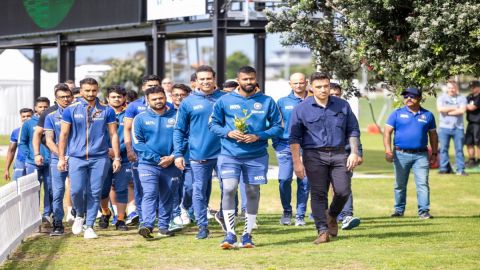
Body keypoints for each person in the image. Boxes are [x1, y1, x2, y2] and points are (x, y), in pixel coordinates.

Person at [209, 66, 283, 249]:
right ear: (238, 79)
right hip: (229, 154)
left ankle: (247, 235)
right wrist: (229, 133)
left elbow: (278, 127)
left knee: (252, 192)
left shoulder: (267, 101)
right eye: (245, 79)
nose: (249, 82)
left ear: (255, 79)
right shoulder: (224, 101)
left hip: (256, 155)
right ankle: (230, 234)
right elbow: (213, 125)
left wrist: (259, 136)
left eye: (251, 79)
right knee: (229, 188)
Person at [289, 72, 361, 244]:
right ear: (311, 88)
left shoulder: (342, 105)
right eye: (319, 87)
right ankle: (322, 231)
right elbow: (294, 138)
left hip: (339, 153)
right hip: (314, 155)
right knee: (318, 193)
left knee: (343, 191)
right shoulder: (301, 108)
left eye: (326, 86)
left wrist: (354, 152)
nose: (323, 90)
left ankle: (332, 216)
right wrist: (297, 162)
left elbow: (353, 130)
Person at [57, 77, 121, 239]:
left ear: (98, 90)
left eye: (94, 90)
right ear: (81, 90)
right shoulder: (71, 109)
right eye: (87, 90)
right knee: (76, 190)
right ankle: (79, 214)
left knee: (95, 191)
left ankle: (89, 225)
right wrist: (61, 158)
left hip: (99, 158)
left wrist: (117, 157)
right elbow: (63, 135)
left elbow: (113, 134)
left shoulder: (107, 110)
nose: (91, 93)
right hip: (77, 157)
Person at [174, 65, 226, 239]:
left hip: (225, 153)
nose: (205, 82)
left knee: (228, 188)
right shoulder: (188, 101)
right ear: (196, 81)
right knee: (199, 191)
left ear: (214, 79)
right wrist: (179, 153)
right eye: (202, 79)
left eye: (208, 78)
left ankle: (225, 218)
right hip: (199, 154)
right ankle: (202, 225)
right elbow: (179, 130)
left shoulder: (225, 98)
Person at [132, 86, 181, 239]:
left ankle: (164, 227)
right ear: (147, 100)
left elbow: (184, 138)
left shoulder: (177, 115)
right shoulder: (140, 118)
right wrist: (157, 159)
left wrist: (172, 157)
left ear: (165, 97)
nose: (158, 101)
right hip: (148, 164)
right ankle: (147, 225)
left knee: (167, 195)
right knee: (150, 193)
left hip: (171, 164)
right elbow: (137, 143)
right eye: (154, 99)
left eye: (161, 98)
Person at [384, 87, 438, 219]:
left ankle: (424, 211)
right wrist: (388, 150)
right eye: (406, 96)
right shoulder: (396, 114)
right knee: (400, 184)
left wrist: (435, 153)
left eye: (412, 96)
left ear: (419, 98)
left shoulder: (428, 115)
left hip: (421, 155)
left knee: (422, 183)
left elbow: (433, 135)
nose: (408, 98)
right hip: (400, 154)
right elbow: (387, 132)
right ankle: (398, 210)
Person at [123, 75, 163, 226]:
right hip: (141, 154)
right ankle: (142, 216)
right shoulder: (134, 106)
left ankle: (162, 216)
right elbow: (127, 129)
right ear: (143, 88)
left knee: (163, 187)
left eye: (156, 85)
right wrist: (129, 150)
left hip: (163, 155)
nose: (152, 88)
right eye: (149, 85)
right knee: (141, 187)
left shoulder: (167, 105)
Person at [273, 73, 310, 226]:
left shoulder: (313, 99)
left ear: (306, 82)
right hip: (285, 145)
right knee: (284, 179)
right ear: (290, 84)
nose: (299, 85)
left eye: (301, 82)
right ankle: (287, 211)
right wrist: (277, 143)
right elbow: (274, 123)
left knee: (305, 181)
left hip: (307, 147)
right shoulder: (282, 102)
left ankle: (300, 215)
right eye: (295, 83)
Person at [329, 83, 362, 230]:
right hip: (321, 155)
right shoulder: (315, 109)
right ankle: (328, 216)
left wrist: (357, 153)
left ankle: (347, 215)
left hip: (344, 154)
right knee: (325, 187)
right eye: (332, 94)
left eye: (338, 94)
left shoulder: (345, 108)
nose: (335, 97)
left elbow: (353, 131)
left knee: (343, 186)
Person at [98, 86, 130, 231]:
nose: (117, 99)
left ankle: (121, 219)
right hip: (102, 157)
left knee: (121, 188)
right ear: (107, 98)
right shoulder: (100, 114)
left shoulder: (129, 114)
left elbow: (131, 136)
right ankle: (106, 212)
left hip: (123, 158)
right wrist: (106, 150)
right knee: (102, 190)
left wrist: (118, 150)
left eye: (119, 96)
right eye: (113, 97)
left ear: (124, 98)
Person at [44, 83, 74, 236]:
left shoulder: (79, 114)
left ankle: (78, 216)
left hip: (77, 158)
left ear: (72, 97)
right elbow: (49, 140)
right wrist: (62, 156)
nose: (66, 99)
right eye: (62, 97)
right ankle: (57, 223)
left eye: (68, 96)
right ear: (56, 100)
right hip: (58, 159)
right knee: (58, 192)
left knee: (78, 190)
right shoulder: (50, 117)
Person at [19, 97, 52, 227]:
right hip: (33, 163)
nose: (43, 109)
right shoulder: (28, 123)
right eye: (40, 107)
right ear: (35, 108)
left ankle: (47, 215)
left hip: (50, 162)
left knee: (50, 189)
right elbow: (22, 143)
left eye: (46, 107)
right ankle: (33, 216)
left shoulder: (53, 119)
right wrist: (30, 156)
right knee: (33, 189)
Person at [169, 84, 193, 230]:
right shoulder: (166, 112)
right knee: (173, 186)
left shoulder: (190, 111)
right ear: (171, 96)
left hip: (190, 154)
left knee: (190, 187)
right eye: (176, 95)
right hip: (171, 156)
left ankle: (185, 208)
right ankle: (175, 214)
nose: (179, 97)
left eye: (182, 94)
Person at [437, 80, 468, 175]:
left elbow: (462, 111)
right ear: (447, 88)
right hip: (444, 128)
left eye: (453, 87)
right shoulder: (441, 98)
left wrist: (448, 112)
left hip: (458, 128)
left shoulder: (462, 98)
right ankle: (444, 169)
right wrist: (455, 107)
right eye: (449, 87)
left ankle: (460, 170)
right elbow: (440, 109)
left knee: (459, 150)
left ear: (456, 88)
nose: (451, 89)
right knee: (443, 149)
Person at [4, 108, 33, 181]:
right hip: (20, 162)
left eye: (28, 116)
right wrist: (6, 169)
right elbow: (11, 151)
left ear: (33, 116)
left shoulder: (38, 130)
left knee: (33, 189)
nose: (26, 118)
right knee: (18, 188)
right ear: (21, 118)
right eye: (23, 116)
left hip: (33, 162)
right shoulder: (16, 132)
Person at [465, 80, 480, 168]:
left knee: (478, 143)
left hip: (478, 123)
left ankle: (479, 160)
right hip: (470, 123)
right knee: (469, 142)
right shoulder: (469, 97)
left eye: (473, 87)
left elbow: (472, 107)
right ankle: (472, 160)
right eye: (471, 87)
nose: (472, 88)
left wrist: (463, 106)